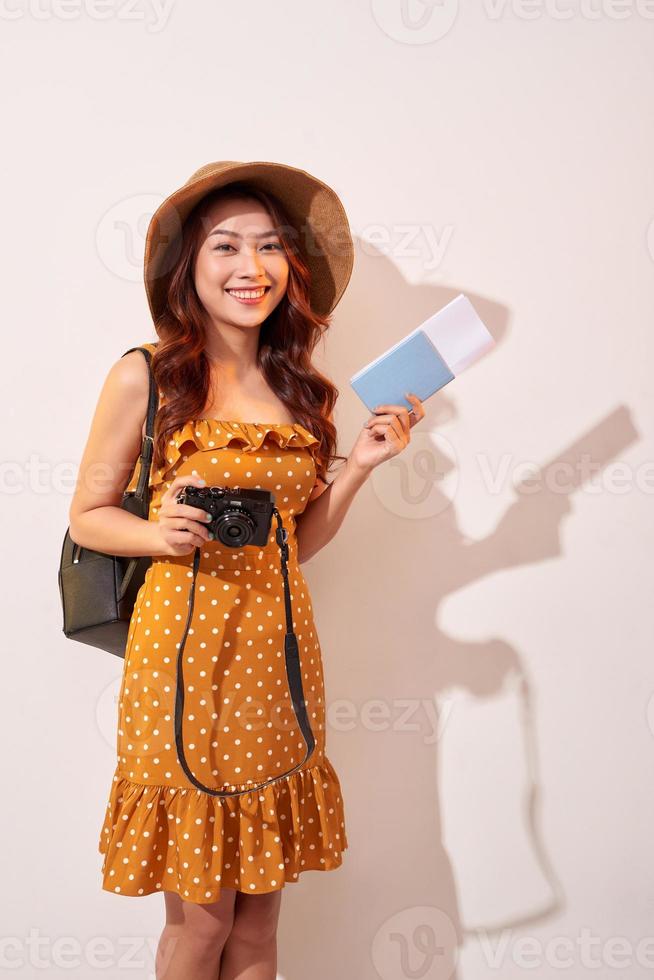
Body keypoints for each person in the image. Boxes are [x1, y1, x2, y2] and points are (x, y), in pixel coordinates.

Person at [68, 161, 425, 979]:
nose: (249, 267)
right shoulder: (146, 375)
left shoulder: (304, 390)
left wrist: (361, 466)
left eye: (269, 247)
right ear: (191, 265)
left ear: (289, 268)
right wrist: (161, 535)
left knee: (260, 931)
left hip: (279, 662)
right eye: (225, 246)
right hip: (182, 667)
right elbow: (87, 515)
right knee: (200, 927)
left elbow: (293, 545)